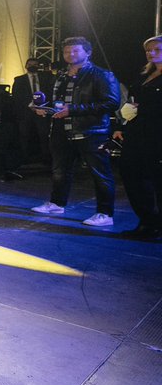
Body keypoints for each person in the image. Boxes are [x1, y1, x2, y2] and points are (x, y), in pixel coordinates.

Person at [30, 36, 120, 226]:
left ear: (88, 52)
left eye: (75, 50)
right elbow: (58, 101)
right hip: (61, 130)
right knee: (60, 171)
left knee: (100, 174)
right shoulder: (61, 75)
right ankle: (57, 203)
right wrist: (44, 108)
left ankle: (105, 214)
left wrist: (73, 110)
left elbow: (111, 102)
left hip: (91, 131)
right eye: (66, 51)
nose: (70, 54)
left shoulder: (101, 74)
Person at [113, 35, 162, 240]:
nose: (151, 53)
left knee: (157, 180)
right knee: (132, 176)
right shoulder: (144, 75)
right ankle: (148, 222)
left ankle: (155, 226)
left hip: (157, 135)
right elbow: (131, 102)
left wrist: (143, 109)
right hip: (136, 133)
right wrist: (122, 125)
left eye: (157, 49)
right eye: (148, 50)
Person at [10, 57, 54, 164]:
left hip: (42, 111)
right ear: (26, 66)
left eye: (35, 64)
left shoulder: (46, 78)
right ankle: (24, 159)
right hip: (25, 112)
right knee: (24, 136)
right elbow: (17, 96)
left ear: (38, 66)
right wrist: (31, 106)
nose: (32, 66)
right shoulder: (19, 80)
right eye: (30, 64)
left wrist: (43, 106)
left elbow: (50, 93)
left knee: (44, 135)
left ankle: (46, 159)